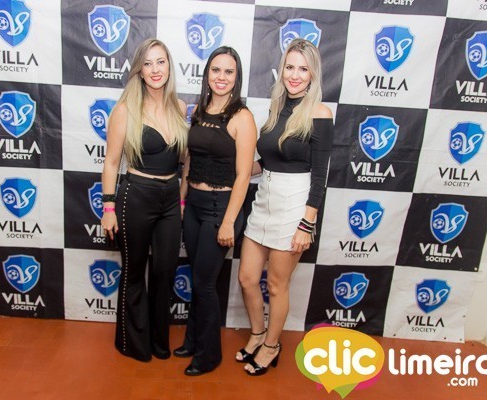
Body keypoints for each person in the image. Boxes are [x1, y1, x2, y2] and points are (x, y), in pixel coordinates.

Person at [237, 38, 334, 376]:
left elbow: (320, 176)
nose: (295, 75)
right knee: (248, 277)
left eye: (303, 69)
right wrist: (234, 169)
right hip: (265, 197)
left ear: (313, 74)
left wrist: (307, 224)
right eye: (290, 67)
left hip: (295, 205)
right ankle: (257, 333)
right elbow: (268, 160)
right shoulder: (277, 109)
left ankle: (271, 346)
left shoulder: (320, 113)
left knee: (277, 285)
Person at [101, 38, 188, 362]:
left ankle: (158, 340)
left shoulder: (180, 108)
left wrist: (181, 201)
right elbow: (111, 162)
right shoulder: (125, 110)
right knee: (134, 271)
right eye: (148, 63)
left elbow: (185, 161)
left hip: (170, 200)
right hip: (135, 196)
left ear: (169, 67)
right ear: (139, 70)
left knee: (165, 272)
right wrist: (108, 207)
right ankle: (132, 343)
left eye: (160, 62)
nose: (155, 69)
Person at [173, 46, 257, 376]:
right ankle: (193, 341)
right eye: (216, 70)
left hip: (220, 209)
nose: (221, 77)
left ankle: (209, 356)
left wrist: (228, 222)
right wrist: (182, 202)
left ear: (237, 78)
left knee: (205, 284)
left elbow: (243, 175)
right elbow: (189, 160)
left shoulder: (242, 117)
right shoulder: (199, 110)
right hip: (193, 206)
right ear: (207, 73)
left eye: (229, 72)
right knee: (198, 278)